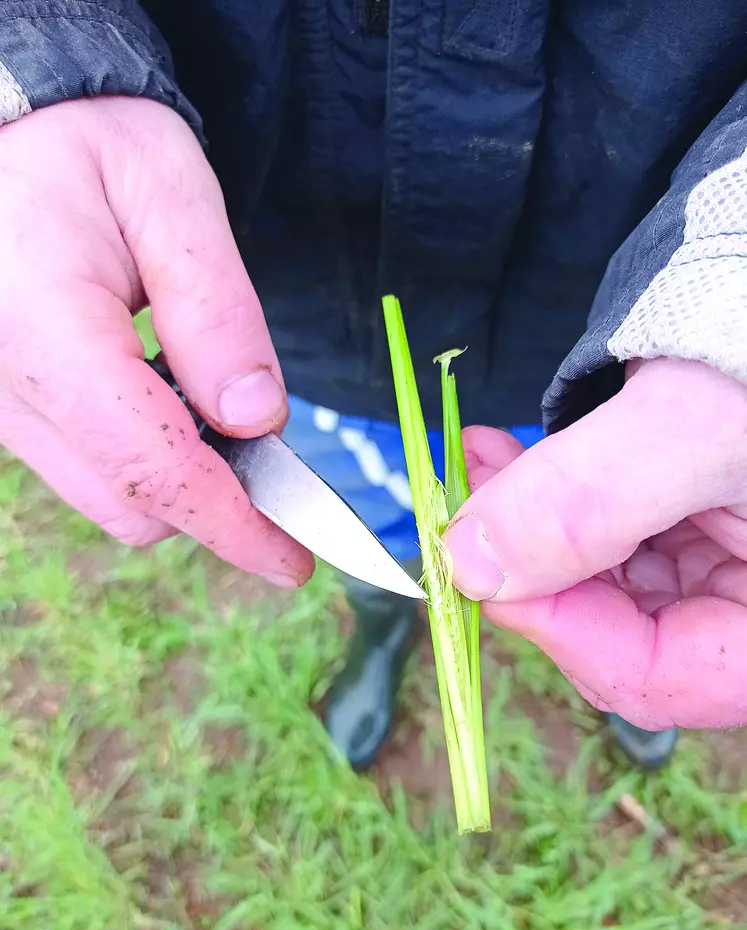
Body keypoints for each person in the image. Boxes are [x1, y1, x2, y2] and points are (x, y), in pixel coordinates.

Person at [1, 2, 746, 774]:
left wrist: (731, 289)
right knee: (366, 507)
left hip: (618, 340)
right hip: (296, 322)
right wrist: (32, 69)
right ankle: (385, 610)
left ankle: (637, 629)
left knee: (626, 533)